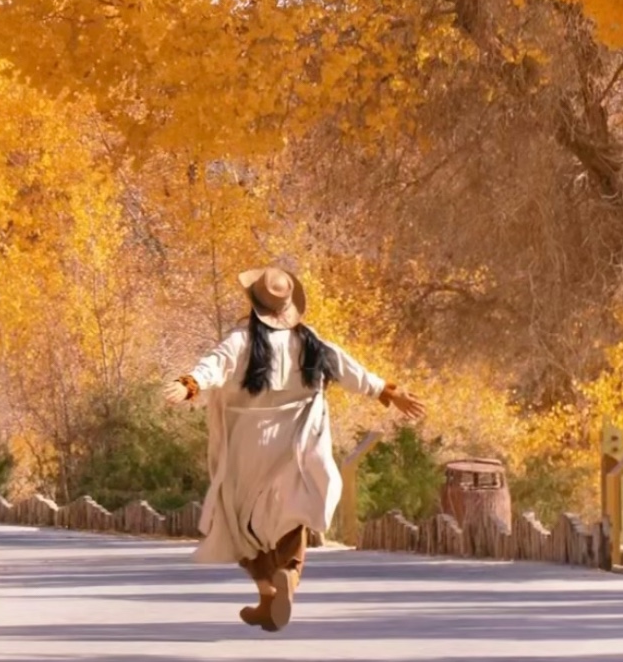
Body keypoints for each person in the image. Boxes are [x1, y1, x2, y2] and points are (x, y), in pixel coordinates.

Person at [163, 265, 426, 632]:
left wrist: (188, 384)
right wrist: (388, 391)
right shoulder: (309, 340)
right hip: (296, 440)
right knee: (291, 514)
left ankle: (267, 596)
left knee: (242, 523)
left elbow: (215, 365)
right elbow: (347, 368)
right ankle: (287, 574)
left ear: (253, 302)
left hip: (248, 444)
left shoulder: (242, 339)